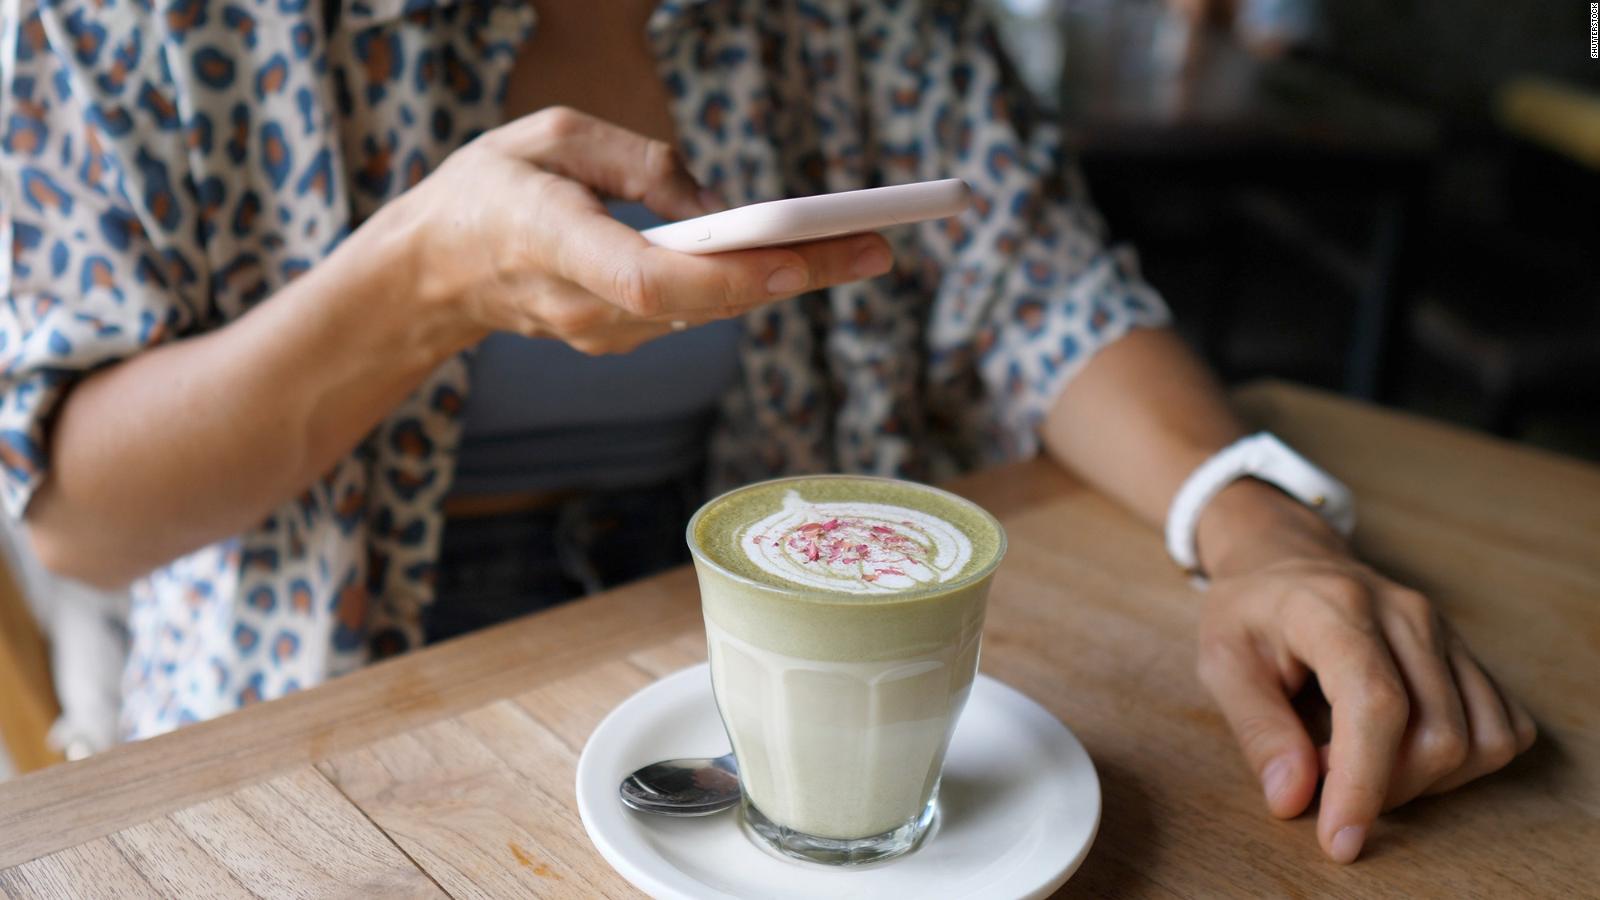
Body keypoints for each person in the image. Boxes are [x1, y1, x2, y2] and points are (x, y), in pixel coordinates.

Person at [0, 0, 1531, 864]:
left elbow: (1036, 291)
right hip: (335, 702)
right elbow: (75, 507)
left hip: (756, 629)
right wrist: (421, 283)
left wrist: (1256, 526)